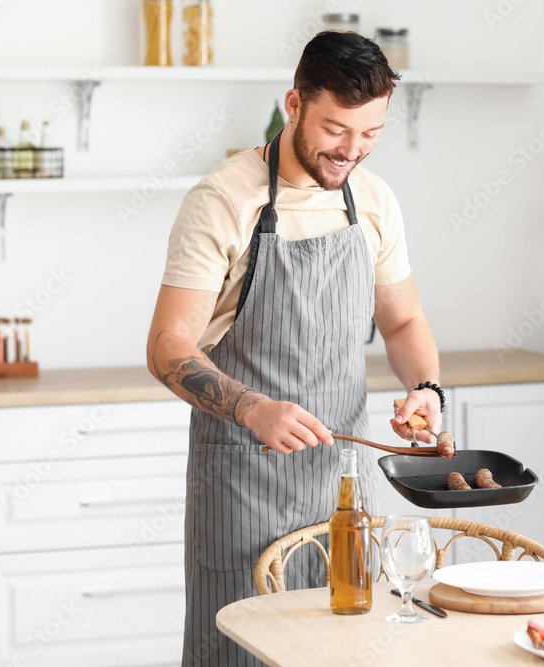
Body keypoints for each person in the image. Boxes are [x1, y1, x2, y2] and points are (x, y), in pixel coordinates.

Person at [146, 31, 442, 667]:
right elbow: (169, 347)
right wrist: (254, 408)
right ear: (294, 104)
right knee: (240, 653)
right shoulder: (224, 200)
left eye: (370, 134)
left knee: (341, 647)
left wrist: (425, 388)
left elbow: (404, 320)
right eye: (337, 130)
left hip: (342, 487)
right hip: (243, 481)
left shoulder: (373, 201)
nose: (351, 152)